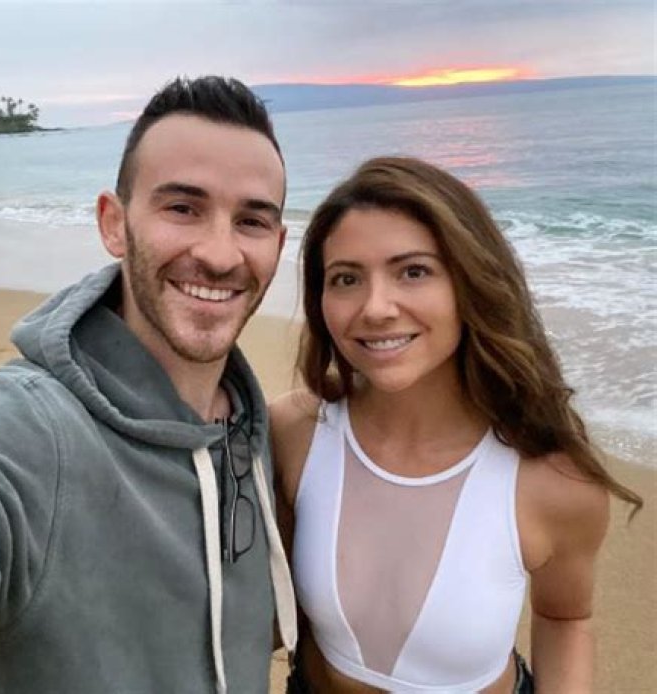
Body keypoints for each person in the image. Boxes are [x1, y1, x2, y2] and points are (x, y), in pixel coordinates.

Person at [0, 75, 296, 694]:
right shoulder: (23, 432)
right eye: (182, 208)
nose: (220, 254)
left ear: (279, 243)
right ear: (113, 223)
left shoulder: (251, 437)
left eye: (251, 221)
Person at [271, 156, 641, 693]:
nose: (376, 308)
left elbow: (565, 618)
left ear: (470, 282)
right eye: (346, 278)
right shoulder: (294, 433)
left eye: (413, 271)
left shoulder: (552, 479)